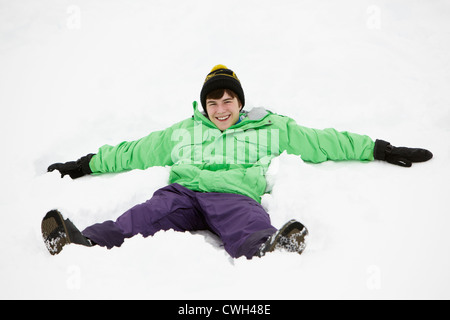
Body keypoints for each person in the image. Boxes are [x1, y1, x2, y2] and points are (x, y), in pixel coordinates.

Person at [43, 64, 433, 259]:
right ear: (205, 105)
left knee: (247, 224)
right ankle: (83, 240)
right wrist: (86, 163)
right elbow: (135, 151)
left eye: (227, 100)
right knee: (142, 215)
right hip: (183, 193)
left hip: (235, 195)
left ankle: (269, 247)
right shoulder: (183, 130)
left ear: (240, 101)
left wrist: (379, 148)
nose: (220, 108)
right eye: (213, 102)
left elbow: (321, 141)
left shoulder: (270, 126)